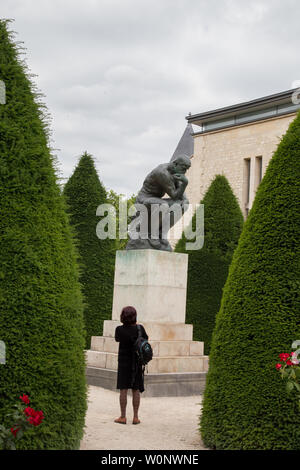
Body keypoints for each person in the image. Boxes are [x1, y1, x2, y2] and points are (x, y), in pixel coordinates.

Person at [114, 306, 148, 425]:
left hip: (123, 362)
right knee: (136, 389)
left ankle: (123, 417)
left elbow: (117, 339)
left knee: (123, 389)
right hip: (137, 362)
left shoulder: (119, 329)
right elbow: (146, 339)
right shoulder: (140, 328)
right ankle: (135, 417)